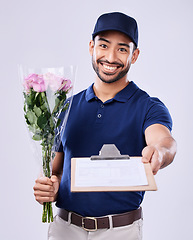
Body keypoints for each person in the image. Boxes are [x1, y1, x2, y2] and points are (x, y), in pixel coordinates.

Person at [33, 12, 177, 240]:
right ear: (92, 47)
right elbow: (57, 170)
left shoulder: (148, 106)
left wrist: (159, 152)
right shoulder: (66, 106)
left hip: (120, 231)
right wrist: (48, 186)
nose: (110, 57)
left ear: (135, 55)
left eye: (122, 49)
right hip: (65, 229)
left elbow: (164, 141)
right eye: (103, 45)